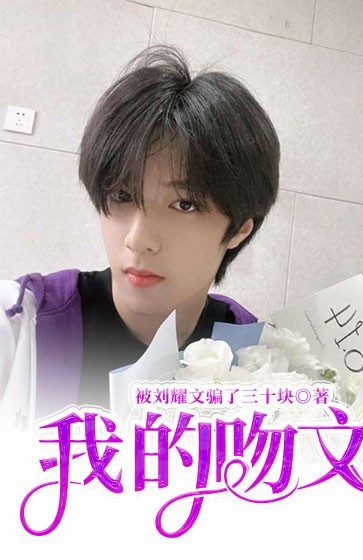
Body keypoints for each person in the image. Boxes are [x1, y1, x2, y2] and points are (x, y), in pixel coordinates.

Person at [0, 45, 280, 428]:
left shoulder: (262, 358)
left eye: (184, 204)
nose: (137, 239)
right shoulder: (23, 325)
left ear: (239, 228)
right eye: (121, 196)